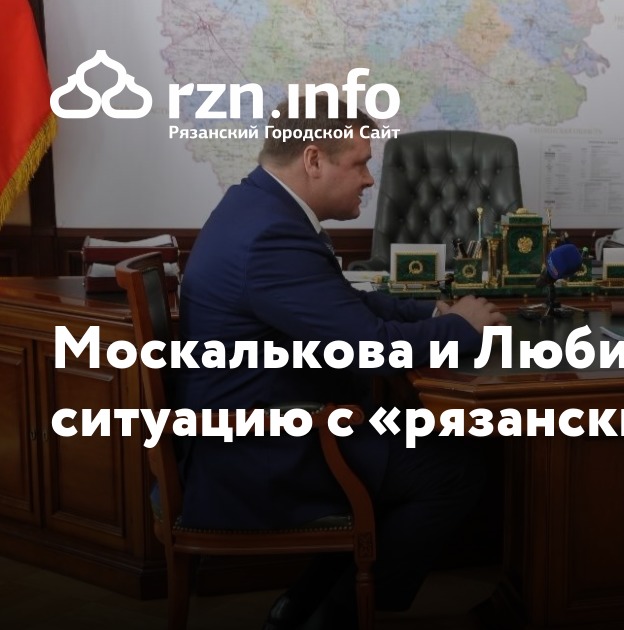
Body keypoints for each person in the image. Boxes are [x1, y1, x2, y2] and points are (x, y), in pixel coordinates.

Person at [176, 95, 507, 629]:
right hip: (256, 449)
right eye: (360, 163)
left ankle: (301, 606)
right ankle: (336, 618)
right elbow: (369, 347)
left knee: (429, 444)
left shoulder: (258, 206)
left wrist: (431, 311)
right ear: (314, 159)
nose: (370, 179)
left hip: (263, 425)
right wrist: (462, 328)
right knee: (453, 470)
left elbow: (343, 303)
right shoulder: (271, 235)